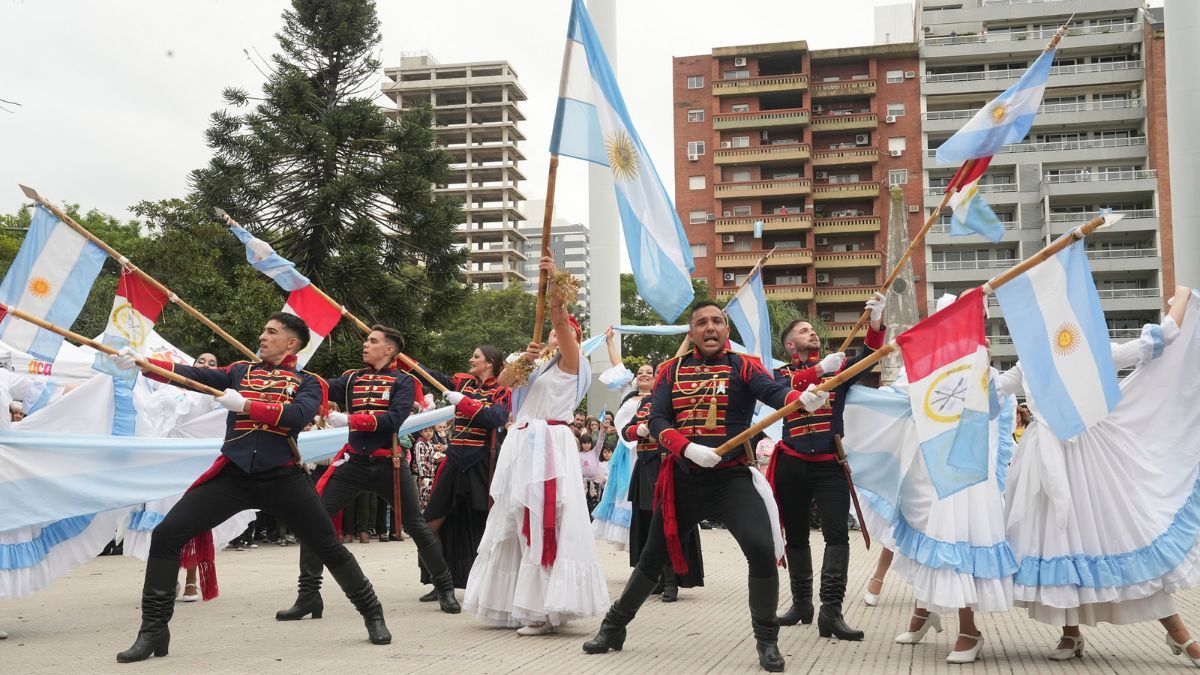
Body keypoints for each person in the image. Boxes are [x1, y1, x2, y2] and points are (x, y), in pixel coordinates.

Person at [111, 313, 391, 663]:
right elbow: (193, 376)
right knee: (168, 533)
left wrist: (244, 404)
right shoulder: (240, 371)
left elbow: (296, 417)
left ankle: (372, 613)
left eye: (271, 332)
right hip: (234, 474)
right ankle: (153, 630)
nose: (262, 336)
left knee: (328, 546)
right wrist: (143, 363)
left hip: (282, 477)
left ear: (292, 343)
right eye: (263, 329)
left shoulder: (309, 382)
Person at [584, 300, 808, 673]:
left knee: (759, 547)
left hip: (732, 478)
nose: (710, 327)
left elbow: (773, 393)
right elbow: (656, 418)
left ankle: (766, 640)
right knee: (652, 559)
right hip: (683, 479)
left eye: (717, 321)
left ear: (726, 331)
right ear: (691, 333)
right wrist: (686, 448)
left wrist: (801, 399)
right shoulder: (670, 371)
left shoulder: (743, 366)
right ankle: (614, 627)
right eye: (701, 322)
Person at [1002, 287, 1200, 665]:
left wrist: (1183, 298)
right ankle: (1070, 633)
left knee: (1121, 535)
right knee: (1057, 544)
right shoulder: (1028, 359)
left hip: (1092, 459)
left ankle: (1179, 633)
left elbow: (1159, 340)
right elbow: (994, 386)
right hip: (1042, 462)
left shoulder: (1089, 350)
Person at [463, 256, 608, 635]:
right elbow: (506, 384)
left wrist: (554, 283)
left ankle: (544, 608)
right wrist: (523, 362)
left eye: (563, 333)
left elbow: (561, 321)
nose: (556, 337)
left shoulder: (573, 363)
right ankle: (516, 602)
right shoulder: (536, 363)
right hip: (522, 442)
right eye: (553, 336)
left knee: (544, 518)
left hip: (549, 443)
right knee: (513, 517)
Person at [275, 324, 461, 619]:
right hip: (353, 464)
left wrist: (350, 419)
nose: (365, 345)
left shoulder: (404, 382)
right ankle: (308, 595)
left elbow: (393, 419)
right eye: (367, 339)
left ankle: (445, 587)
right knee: (313, 522)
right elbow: (317, 386)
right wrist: (288, 368)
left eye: (373, 341)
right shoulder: (351, 379)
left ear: (389, 350)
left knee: (417, 527)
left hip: (390, 463)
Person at [768, 293, 886, 641]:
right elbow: (781, 391)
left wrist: (876, 323)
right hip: (792, 463)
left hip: (829, 465)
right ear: (791, 345)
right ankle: (802, 605)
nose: (813, 334)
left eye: (813, 330)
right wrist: (819, 371)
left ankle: (831, 613)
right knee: (797, 535)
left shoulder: (839, 369)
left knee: (836, 536)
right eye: (805, 331)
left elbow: (868, 358)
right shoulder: (779, 374)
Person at [411, 344, 510, 599]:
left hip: (483, 463)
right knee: (430, 522)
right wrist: (403, 360)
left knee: (487, 525)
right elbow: (428, 375)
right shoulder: (461, 382)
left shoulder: (503, 389)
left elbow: (494, 419)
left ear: (489, 362)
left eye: (476, 356)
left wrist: (464, 403)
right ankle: (441, 581)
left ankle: (489, 585)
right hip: (455, 460)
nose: (470, 359)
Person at [620, 385, 705, 603]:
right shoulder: (642, 404)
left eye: (652, 373)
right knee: (649, 523)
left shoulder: (678, 399)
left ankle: (671, 581)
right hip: (646, 466)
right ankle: (655, 578)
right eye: (642, 373)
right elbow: (626, 433)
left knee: (667, 522)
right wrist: (637, 431)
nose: (645, 376)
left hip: (668, 465)